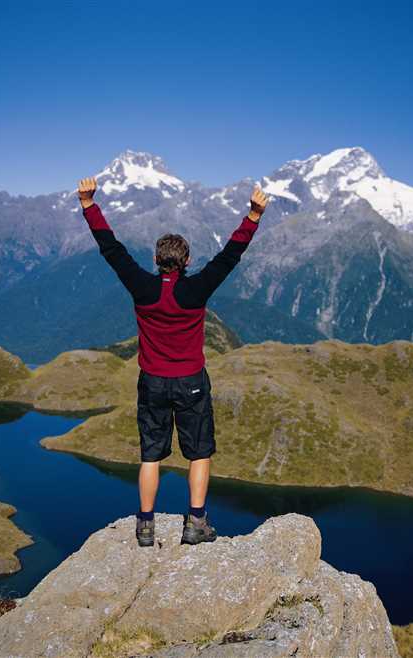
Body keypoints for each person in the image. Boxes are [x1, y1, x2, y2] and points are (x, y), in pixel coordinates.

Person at [76, 176, 269, 546]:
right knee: (199, 453)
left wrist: (88, 205)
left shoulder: (141, 285)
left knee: (151, 455)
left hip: (152, 382)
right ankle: (196, 523)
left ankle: (145, 526)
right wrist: (254, 215)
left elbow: (111, 249)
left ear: (155, 260)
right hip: (191, 382)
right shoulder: (196, 289)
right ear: (187, 262)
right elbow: (230, 255)